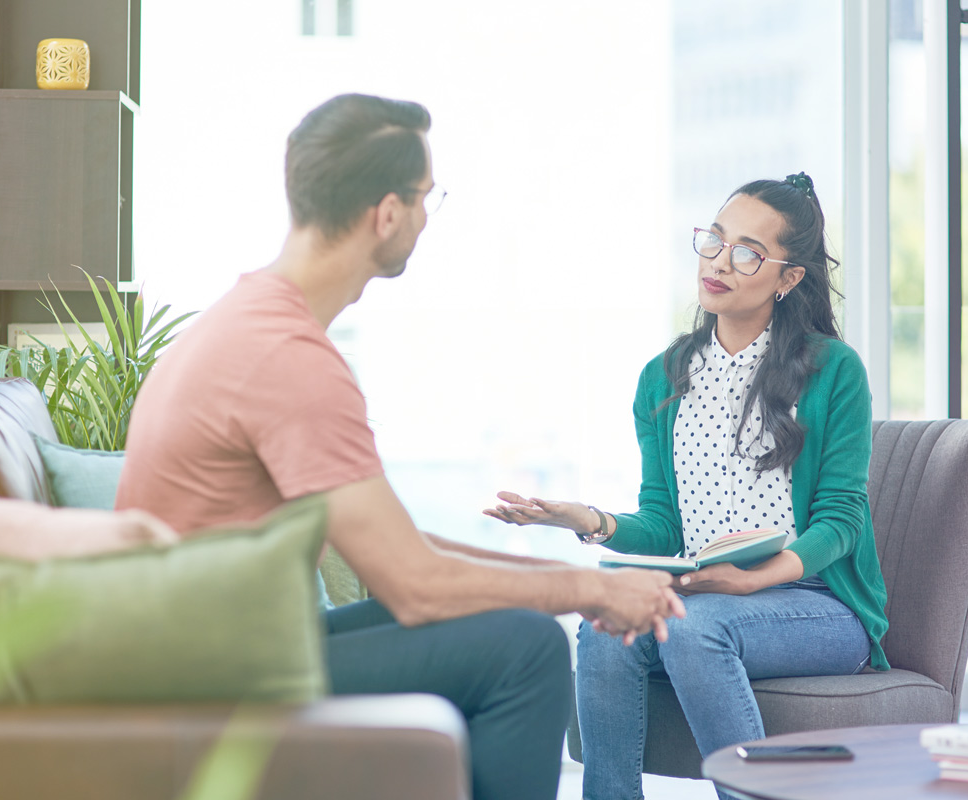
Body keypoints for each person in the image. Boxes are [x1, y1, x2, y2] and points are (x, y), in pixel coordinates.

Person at [114, 93, 685, 800]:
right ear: (386, 213)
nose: (424, 216)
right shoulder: (287, 358)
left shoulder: (250, 320)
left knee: (499, 615)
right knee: (530, 651)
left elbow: (398, 549)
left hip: (224, 652)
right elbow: (414, 588)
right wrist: (589, 589)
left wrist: (578, 587)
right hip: (215, 681)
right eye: (426, 198)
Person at [484, 173, 890, 800]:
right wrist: (586, 520)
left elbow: (842, 521)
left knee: (694, 628)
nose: (721, 262)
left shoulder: (834, 369)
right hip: (706, 592)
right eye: (715, 240)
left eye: (748, 252)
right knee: (603, 625)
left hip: (816, 603)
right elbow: (667, 525)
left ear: (788, 278)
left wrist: (752, 578)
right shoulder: (664, 377)